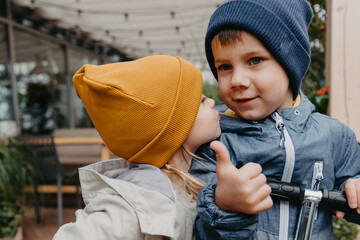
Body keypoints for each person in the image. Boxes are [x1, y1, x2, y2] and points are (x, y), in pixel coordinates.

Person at [189, 0, 360, 239]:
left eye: (255, 60)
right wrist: (224, 205)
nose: (237, 79)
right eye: (225, 66)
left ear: (290, 64)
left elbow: (353, 191)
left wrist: (353, 188)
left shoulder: (336, 137)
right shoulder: (216, 141)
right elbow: (197, 226)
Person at [52, 55, 221, 240]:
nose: (213, 102)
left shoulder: (187, 180)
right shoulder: (139, 203)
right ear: (174, 128)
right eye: (202, 100)